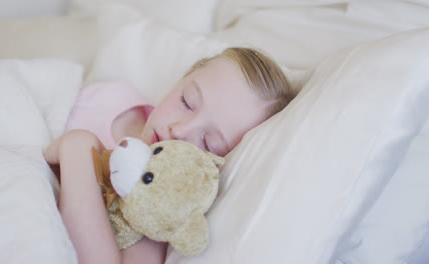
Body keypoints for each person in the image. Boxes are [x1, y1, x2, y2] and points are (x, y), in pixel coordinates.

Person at [43, 47, 296, 264]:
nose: (179, 130)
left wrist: (77, 149)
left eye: (209, 142)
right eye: (186, 101)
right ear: (182, 80)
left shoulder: (158, 199)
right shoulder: (110, 97)